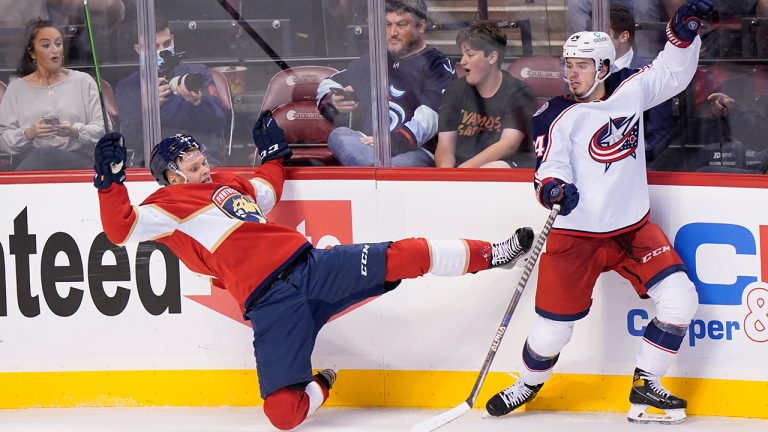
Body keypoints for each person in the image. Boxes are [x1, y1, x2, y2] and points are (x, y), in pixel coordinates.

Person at [92, 110, 535, 430]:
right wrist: (110, 183)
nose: (205, 167)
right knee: (283, 415)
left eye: (204, 159)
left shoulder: (228, 184)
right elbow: (119, 229)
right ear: (170, 177)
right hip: (271, 308)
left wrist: (273, 155)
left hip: (312, 267)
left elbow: (266, 188)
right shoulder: (164, 208)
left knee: (408, 253)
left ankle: (494, 254)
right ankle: (324, 382)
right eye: (194, 166)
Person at [485, 0, 713, 425]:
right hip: (577, 236)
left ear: (604, 67)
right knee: (553, 332)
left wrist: (681, 37)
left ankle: (645, 390)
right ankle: (528, 383)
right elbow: (548, 167)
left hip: (632, 228)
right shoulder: (554, 115)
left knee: (680, 300)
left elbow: (672, 73)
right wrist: (552, 187)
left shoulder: (631, 88)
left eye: (581, 65)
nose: (570, 73)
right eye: (568, 64)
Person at [315, 0, 455, 167]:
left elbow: (430, 119)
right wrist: (334, 99)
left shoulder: (437, 64)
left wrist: (388, 143)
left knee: (393, 167)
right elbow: (328, 82)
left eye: (401, 25)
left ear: (421, 26)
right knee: (338, 135)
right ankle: (374, 170)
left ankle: (373, 171)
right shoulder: (373, 60)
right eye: (387, 25)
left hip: (414, 150)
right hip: (367, 146)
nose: (392, 32)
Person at [115, 14, 226, 166]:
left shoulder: (196, 74)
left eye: (167, 43)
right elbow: (131, 139)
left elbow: (219, 123)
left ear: (173, 39)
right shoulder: (128, 87)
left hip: (198, 157)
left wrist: (198, 101)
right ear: (139, 49)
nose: (162, 51)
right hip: (154, 161)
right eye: (154, 47)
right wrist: (147, 110)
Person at [0, 19, 105, 170]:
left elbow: (103, 129)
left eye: (58, 43)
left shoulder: (83, 82)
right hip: (31, 162)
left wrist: (74, 131)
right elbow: (4, 139)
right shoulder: (16, 88)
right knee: (42, 154)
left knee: (46, 154)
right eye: (46, 45)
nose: (55, 50)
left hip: (77, 163)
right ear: (32, 53)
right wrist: (30, 133)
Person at [435, 21, 535, 169]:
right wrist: (447, 174)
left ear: (492, 57)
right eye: (462, 55)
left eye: (470, 55)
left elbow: (509, 144)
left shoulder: (519, 92)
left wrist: (462, 173)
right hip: (462, 171)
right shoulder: (455, 89)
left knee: (495, 167)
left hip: (503, 167)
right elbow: (445, 145)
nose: (462, 62)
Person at [609, 2, 675, 165]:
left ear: (623, 36)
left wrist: (623, 158)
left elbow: (659, 136)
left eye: (603, 36)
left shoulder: (650, 74)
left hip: (635, 166)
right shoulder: (582, 72)